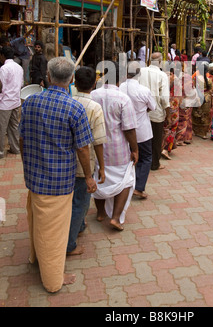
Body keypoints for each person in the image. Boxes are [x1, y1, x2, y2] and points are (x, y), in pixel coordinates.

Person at [19, 56, 96, 293]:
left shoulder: (30, 102)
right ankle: (53, 280)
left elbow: (22, 139)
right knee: (54, 232)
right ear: (71, 79)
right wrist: (90, 176)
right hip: (59, 181)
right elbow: (83, 148)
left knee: (38, 220)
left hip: (34, 177)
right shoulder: (74, 107)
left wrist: (27, 163)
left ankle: (36, 259)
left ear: (48, 78)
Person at [91, 62, 139, 231]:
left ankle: (100, 212)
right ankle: (116, 218)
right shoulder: (123, 98)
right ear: (123, 78)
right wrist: (135, 149)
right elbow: (129, 128)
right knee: (126, 180)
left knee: (99, 178)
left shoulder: (93, 94)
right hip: (118, 149)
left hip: (97, 147)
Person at [67, 67, 106, 256]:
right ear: (94, 85)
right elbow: (98, 142)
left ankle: (79, 226)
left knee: (74, 199)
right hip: (85, 162)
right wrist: (102, 168)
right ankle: (69, 243)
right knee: (80, 202)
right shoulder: (94, 107)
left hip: (66, 161)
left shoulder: (67, 101)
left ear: (75, 81)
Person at [119, 61, 156, 199]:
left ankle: (125, 186)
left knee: (128, 158)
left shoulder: (120, 88)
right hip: (142, 130)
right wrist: (141, 110)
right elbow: (153, 107)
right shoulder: (143, 90)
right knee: (146, 158)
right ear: (139, 74)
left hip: (124, 130)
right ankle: (139, 188)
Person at [138, 52, 170, 170]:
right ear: (160, 62)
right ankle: (155, 163)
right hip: (156, 113)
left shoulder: (141, 71)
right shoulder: (162, 75)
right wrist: (168, 114)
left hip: (142, 112)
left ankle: (142, 161)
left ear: (149, 61)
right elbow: (164, 98)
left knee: (143, 138)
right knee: (156, 139)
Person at [0, 46, 24, 159]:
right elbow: (21, 84)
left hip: (5, 102)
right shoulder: (19, 67)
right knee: (14, 126)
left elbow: (1, 86)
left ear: (2, 56)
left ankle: (0, 151)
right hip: (16, 100)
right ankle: (15, 148)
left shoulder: (4, 68)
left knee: (2, 127)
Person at [161, 68, 181, 160]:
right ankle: (165, 149)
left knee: (166, 128)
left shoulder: (163, 83)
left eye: (170, 75)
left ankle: (164, 148)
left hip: (167, 109)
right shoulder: (176, 83)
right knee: (171, 129)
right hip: (171, 110)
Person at [192, 63, 213, 139]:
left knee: (196, 113)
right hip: (206, 98)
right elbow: (211, 89)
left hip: (198, 97)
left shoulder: (196, 78)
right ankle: (203, 133)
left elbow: (193, 87)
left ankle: (196, 131)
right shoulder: (209, 80)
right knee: (205, 115)